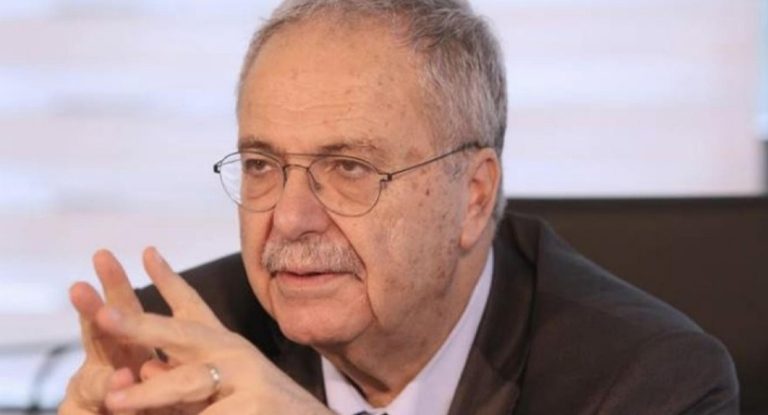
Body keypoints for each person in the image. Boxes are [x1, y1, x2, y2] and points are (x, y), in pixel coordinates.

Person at [60, 0, 739, 414]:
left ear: (473, 197)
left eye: (348, 168)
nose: (289, 219)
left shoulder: (642, 383)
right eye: (263, 165)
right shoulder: (176, 347)